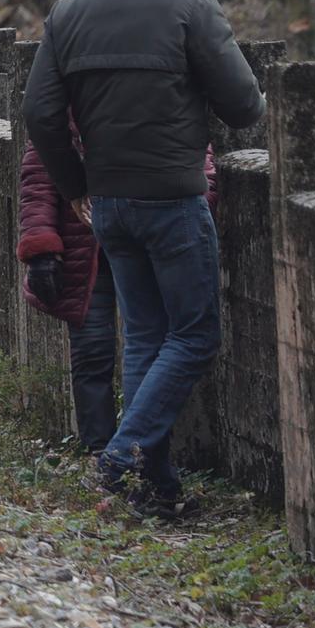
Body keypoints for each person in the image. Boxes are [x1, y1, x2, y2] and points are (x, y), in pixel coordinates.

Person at [22, 0, 263, 521]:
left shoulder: (69, 10)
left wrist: (77, 183)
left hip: (110, 209)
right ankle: (124, 456)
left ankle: (155, 486)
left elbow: (40, 113)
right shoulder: (190, 4)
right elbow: (244, 106)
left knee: (148, 339)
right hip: (175, 199)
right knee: (195, 335)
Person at [18, 125, 217, 458]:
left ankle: (136, 455)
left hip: (142, 245)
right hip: (86, 249)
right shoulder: (67, 106)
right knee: (94, 351)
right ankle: (104, 451)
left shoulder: (164, 100)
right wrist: (41, 248)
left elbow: (202, 172)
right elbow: (39, 177)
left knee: (149, 345)